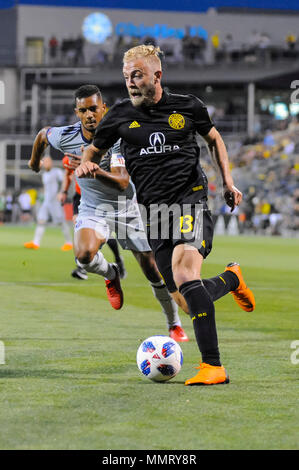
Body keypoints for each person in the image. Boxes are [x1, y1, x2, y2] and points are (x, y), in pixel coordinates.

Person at [76, 45, 255, 386]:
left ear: (157, 76)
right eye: (127, 76)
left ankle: (213, 366)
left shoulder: (187, 106)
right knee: (188, 303)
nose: (130, 82)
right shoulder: (118, 116)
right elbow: (94, 147)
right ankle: (232, 279)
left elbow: (214, 139)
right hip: (153, 213)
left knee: (187, 274)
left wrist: (228, 182)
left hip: (190, 200)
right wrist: (87, 160)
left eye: (138, 75)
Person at [28, 84, 189, 343]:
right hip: (94, 207)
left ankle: (174, 324)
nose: (90, 115)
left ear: (104, 108)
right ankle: (111, 274)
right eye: (83, 110)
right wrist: (35, 162)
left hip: (128, 208)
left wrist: (90, 167)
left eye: (94, 108)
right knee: (83, 257)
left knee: (151, 269)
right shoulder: (66, 136)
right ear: (77, 112)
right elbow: (43, 135)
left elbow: (122, 182)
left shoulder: (117, 136)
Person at [24, 156, 73, 251]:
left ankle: (69, 243)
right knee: (41, 221)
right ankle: (36, 243)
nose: (46, 164)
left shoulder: (56, 171)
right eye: (44, 162)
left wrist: (61, 192)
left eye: (47, 162)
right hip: (46, 202)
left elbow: (65, 179)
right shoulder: (44, 175)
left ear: (51, 162)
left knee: (61, 222)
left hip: (55, 201)